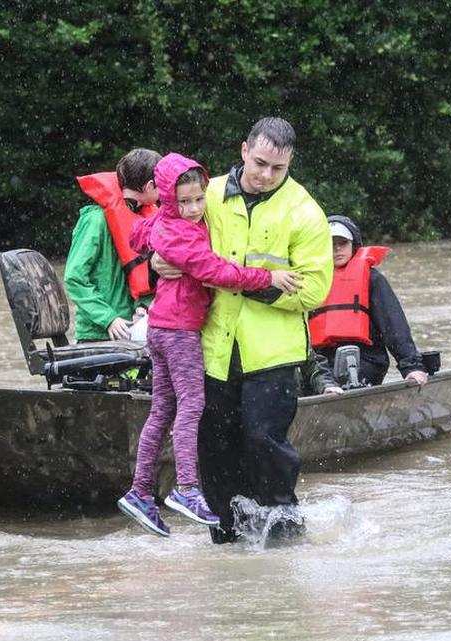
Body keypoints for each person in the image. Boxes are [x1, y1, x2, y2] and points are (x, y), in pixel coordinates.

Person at [116, 153, 302, 537]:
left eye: (199, 200)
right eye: (183, 202)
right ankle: (186, 489)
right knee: (192, 406)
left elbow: (137, 236)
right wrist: (269, 277)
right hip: (181, 329)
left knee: (163, 409)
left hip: (160, 325)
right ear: (169, 199)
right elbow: (219, 272)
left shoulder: (160, 221)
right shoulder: (181, 232)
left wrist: (156, 253)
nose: (194, 208)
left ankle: (139, 492)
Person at [170, 117, 333, 544]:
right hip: (213, 345)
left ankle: (284, 536)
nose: (265, 175)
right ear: (244, 151)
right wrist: (157, 263)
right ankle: (226, 538)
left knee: (265, 442)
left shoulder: (305, 212)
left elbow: (315, 289)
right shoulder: (206, 196)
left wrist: (249, 283)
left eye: (277, 168)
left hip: (274, 353)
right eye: (259, 163)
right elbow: (171, 239)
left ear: (290, 163)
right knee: (215, 447)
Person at [310, 215, 428, 387]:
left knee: (352, 376)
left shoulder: (372, 279)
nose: (337, 250)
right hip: (321, 360)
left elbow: (393, 325)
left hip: (366, 357)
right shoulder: (310, 281)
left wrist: (412, 367)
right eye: (330, 245)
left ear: (354, 245)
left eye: (342, 243)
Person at [65, 149, 161, 342]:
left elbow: (143, 277)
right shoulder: (95, 220)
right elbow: (74, 278)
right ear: (150, 186)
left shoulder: (146, 219)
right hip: (97, 334)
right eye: (163, 184)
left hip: (133, 327)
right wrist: (109, 319)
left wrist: (141, 306)